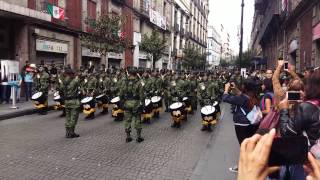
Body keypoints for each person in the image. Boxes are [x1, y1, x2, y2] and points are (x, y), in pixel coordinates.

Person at [222, 78, 260, 173]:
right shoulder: (254, 95)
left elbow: (225, 98)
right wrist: (236, 89)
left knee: (244, 146)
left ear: (245, 87)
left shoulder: (242, 98)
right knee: (249, 144)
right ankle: (251, 163)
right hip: (252, 123)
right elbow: (242, 96)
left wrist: (226, 90)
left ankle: (243, 167)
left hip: (242, 124)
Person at [119, 67, 144, 143]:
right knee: (137, 120)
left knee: (127, 120)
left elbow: (121, 94)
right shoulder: (139, 82)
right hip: (136, 104)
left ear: (129, 73)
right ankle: (138, 137)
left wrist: (122, 102)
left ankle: (128, 137)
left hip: (127, 104)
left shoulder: (124, 82)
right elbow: (142, 95)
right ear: (136, 73)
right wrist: (142, 104)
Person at [60, 68, 81, 138]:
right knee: (73, 118)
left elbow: (61, 89)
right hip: (74, 102)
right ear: (71, 74)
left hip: (67, 102)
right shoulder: (75, 81)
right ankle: (72, 133)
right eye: (73, 74)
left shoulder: (63, 82)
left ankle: (67, 133)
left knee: (68, 117)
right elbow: (81, 77)